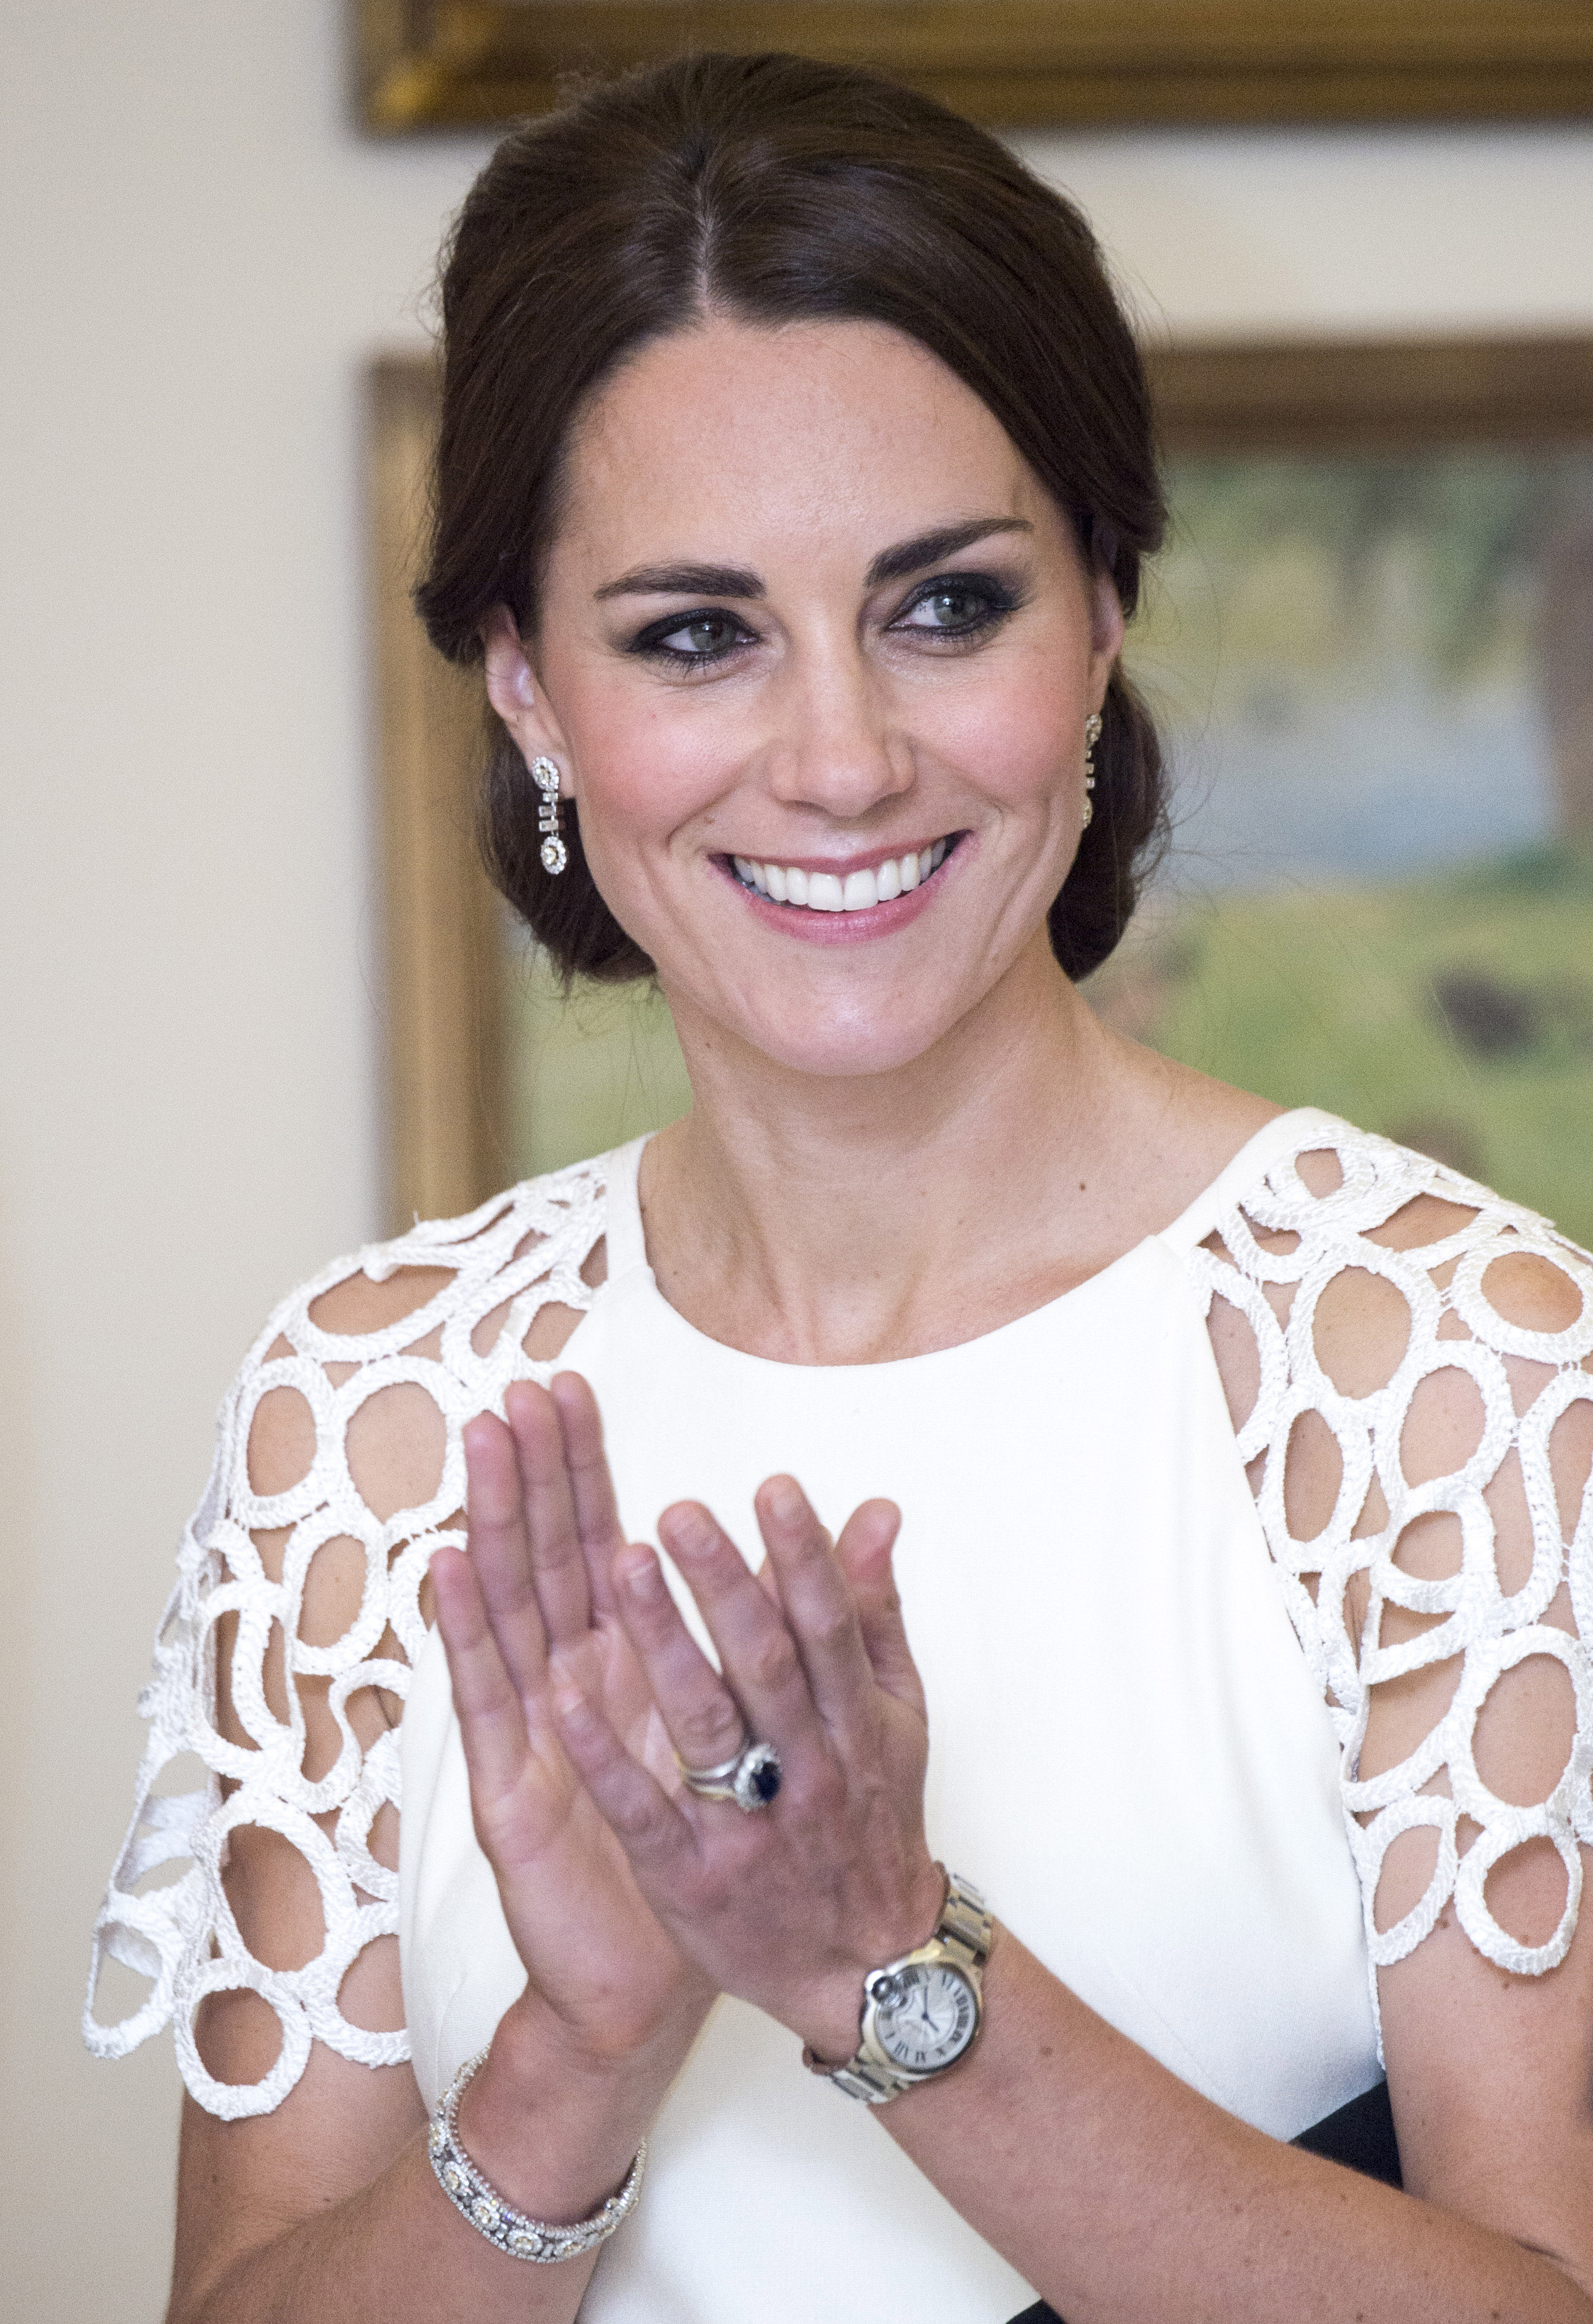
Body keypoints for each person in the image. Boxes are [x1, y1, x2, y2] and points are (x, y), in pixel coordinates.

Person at [88, 50, 1593, 2324]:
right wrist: (570, 2066)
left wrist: (893, 1971)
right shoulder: (371, 1418)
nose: (837, 760)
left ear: (1100, 609)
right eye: (693, 634)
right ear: (524, 690)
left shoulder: (1450, 1378)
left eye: (943, 607)